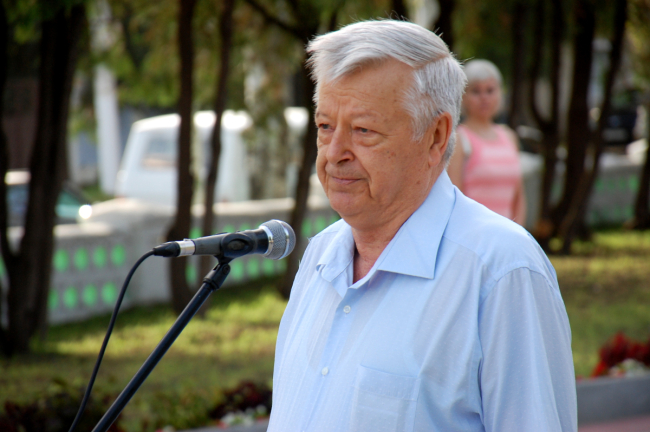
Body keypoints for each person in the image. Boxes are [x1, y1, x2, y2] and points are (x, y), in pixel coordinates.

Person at [268, 20, 576, 432]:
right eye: (325, 127)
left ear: (435, 136)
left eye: (363, 130)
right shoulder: (320, 256)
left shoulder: (501, 271)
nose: (335, 152)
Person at [447, 59, 527, 225]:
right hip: (474, 234)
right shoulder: (459, 139)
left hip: (508, 234)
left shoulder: (509, 137)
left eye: (490, 90)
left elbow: (519, 197)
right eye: (476, 91)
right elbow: (454, 198)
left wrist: (517, 232)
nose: (484, 98)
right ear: (463, 96)